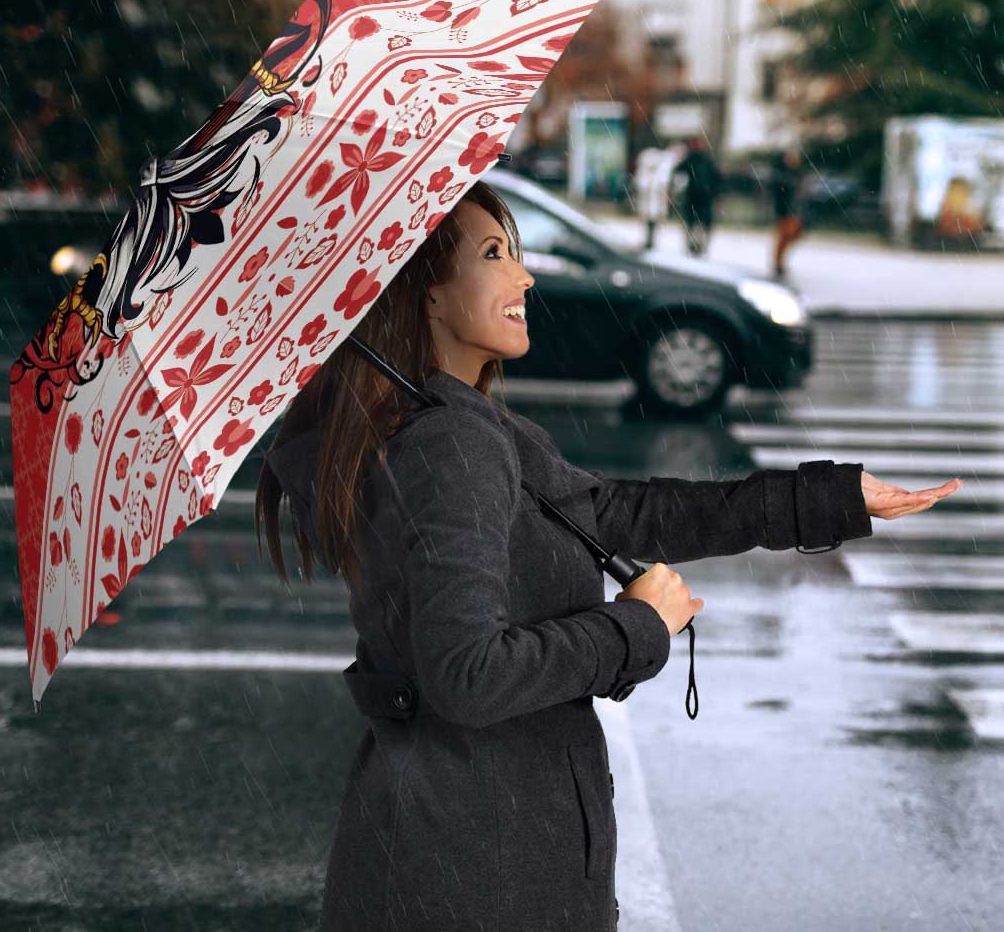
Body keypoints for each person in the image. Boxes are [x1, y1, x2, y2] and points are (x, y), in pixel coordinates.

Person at [256, 180, 954, 932]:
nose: (524, 276)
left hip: (460, 848)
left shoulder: (455, 425)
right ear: (426, 294)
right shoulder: (450, 445)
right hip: (480, 870)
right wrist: (636, 627)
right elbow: (467, 676)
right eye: (494, 254)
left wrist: (829, 499)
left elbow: (620, 513)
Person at [672, 134, 722, 257]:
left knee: (700, 223)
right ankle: (693, 245)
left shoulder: (705, 160)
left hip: (703, 196)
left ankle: (699, 245)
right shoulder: (692, 159)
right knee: (693, 222)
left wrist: (715, 192)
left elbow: (716, 178)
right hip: (695, 196)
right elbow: (678, 172)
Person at [770, 147, 806, 278]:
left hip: (794, 211)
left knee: (792, 236)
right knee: (784, 237)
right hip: (785, 211)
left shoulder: (797, 174)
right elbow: (779, 194)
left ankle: (779, 262)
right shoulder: (782, 175)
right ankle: (778, 263)